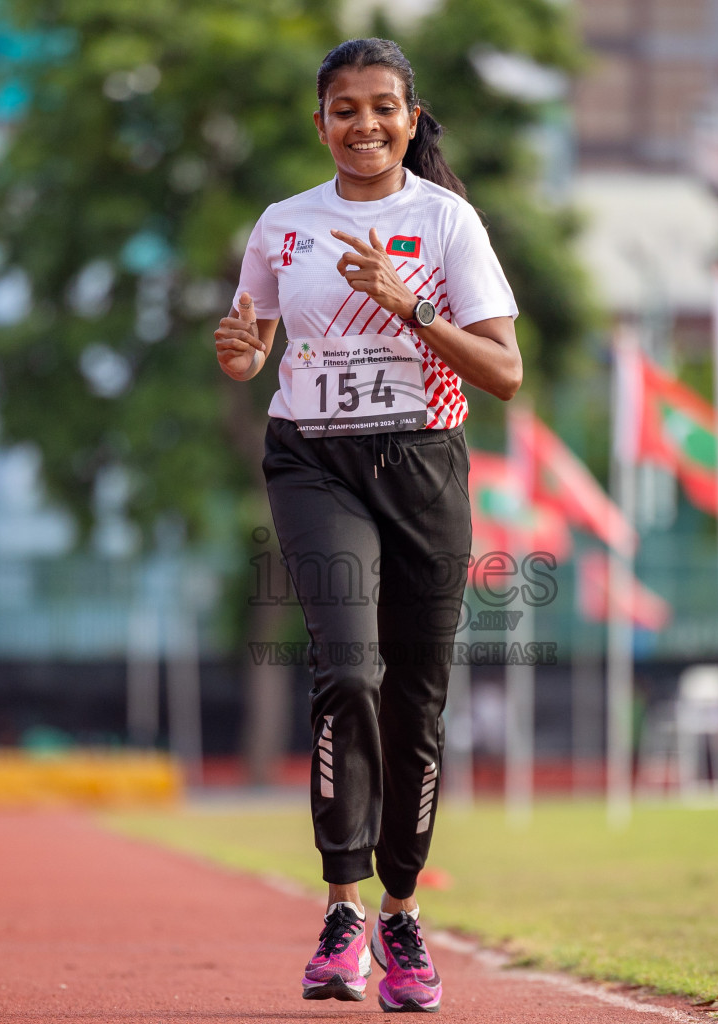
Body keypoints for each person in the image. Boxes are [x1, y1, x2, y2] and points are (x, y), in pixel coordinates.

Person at [214, 37, 521, 1013]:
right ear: (320, 125)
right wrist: (235, 350)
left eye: (383, 106)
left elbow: (504, 371)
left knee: (415, 701)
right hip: (315, 461)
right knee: (347, 669)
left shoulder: (447, 223)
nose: (364, 125)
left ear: (411, 117)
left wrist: (410, 308)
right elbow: (251, 347)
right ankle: (342, 909)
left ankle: (401, 914)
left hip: (423, 463)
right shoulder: (282, 226)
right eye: (344, 109)